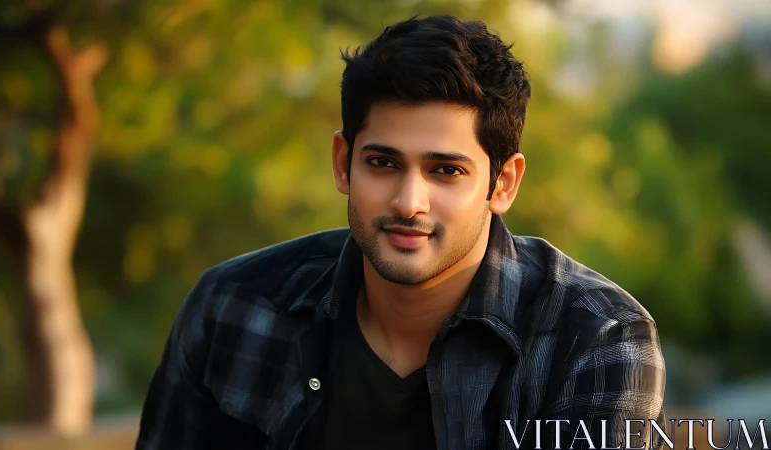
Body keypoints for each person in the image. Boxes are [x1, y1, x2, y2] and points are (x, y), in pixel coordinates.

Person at [136, 15, 666, 450]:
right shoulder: (232, 307)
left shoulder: (595, 340)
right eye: (383, 162)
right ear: (344, 165)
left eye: (446, 170)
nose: (408, 202)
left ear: (503, 183)